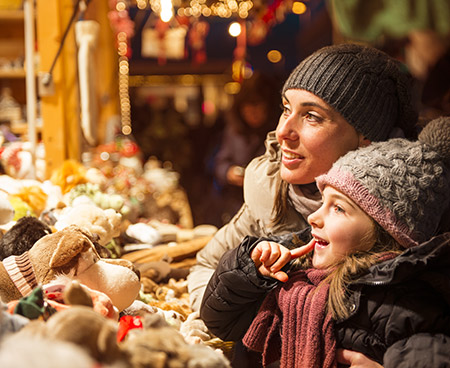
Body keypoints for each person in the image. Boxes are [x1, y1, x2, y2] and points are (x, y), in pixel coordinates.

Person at [200, 117, 450, 368]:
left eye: (338, 208)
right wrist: (249, 271)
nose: (313, 217)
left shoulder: (409, 307)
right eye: (323, 202)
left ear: (387, 231)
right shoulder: (296, 272)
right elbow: (221, 322)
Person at [188, 42, 419, 312]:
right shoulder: (272, 195)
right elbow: (206, 265)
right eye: (286, 109)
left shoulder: (406, 225)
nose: (283, 131)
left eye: (311, 116)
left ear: (365, 137)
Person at [208, 72, 280, 226]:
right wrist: (229, 173)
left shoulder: (279, 133)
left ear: (268, 106)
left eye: (257, 105)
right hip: (235, 206)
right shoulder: (234, 131)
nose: (251, 111)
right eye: (247, 106)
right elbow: (220, 162)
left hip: (270, 209)